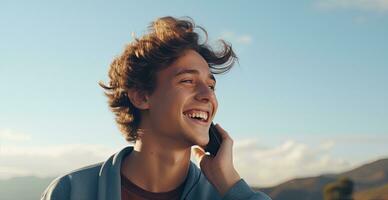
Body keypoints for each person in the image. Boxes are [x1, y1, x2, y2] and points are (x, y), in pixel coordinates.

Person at [41, 16, 272, 200]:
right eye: (188, 81)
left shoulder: (224, 195)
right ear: (142, 96)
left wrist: (231, 183)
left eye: (211, 85)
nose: (207, 95)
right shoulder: (71, 192)